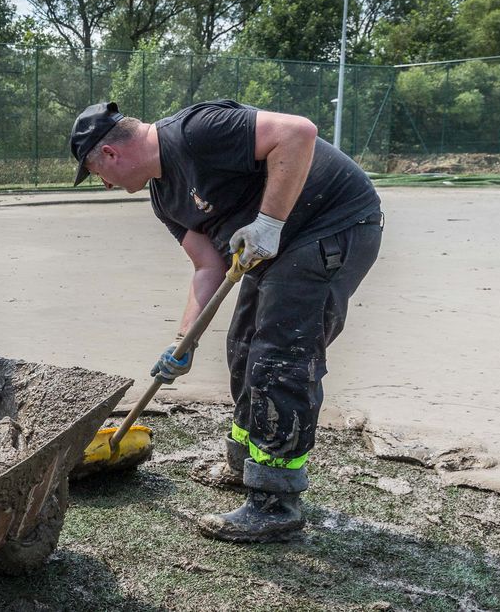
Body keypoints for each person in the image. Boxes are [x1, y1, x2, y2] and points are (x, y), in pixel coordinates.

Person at [69, 100, 382, 543]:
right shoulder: (164, 196)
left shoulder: (196, 131)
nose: (105, 184)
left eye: (97, 173)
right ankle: (243, 464)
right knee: (242, 349)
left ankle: (275, 504)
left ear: (109, 153)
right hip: (275, 248)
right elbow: (208, 266)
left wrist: (268, 223)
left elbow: (297, 132)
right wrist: (184, 341)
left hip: (330, 225)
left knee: (279, 361)